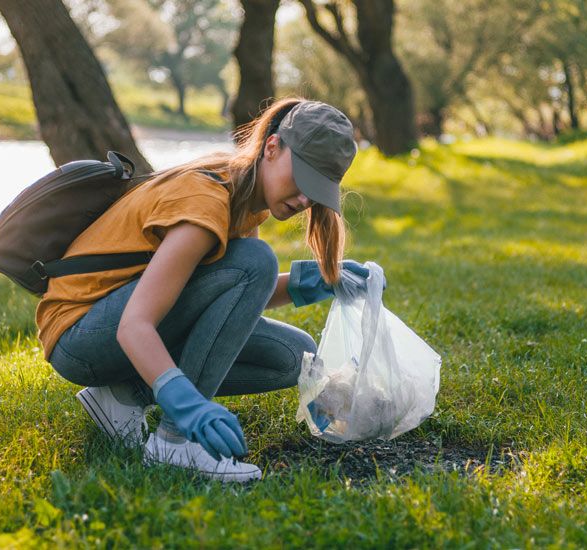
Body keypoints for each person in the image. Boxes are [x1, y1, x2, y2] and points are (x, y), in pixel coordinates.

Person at [35, 97, 375, 483]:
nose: (303, 200)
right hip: (81, 335)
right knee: (257, 261)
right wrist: (186, 407)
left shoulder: (244, 192)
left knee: (293, 357)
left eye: (317, 192)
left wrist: (310, 284)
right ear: (272, 147)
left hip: (111, 323)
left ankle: (122, 397)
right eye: (302, 180)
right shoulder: (207, 201)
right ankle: (174, 444)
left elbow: (229, 300)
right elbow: (135, 324)